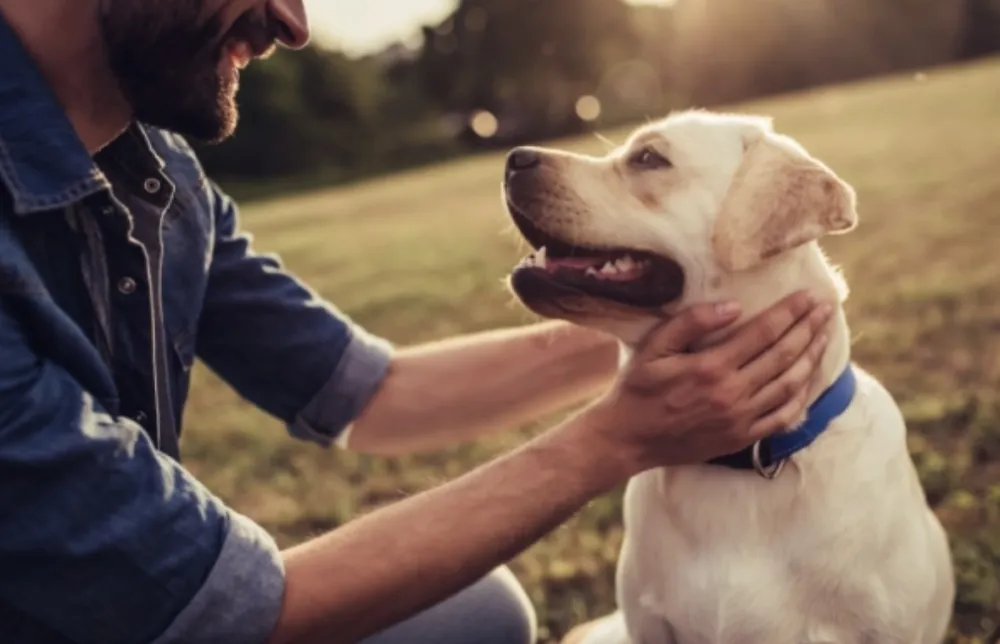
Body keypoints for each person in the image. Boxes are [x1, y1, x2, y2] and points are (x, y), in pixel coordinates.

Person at [0, 1, 832, 643]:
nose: (292, 23)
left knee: (476, 614)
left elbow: (374, 393)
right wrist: (616, 439)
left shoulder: (159, 177)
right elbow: (222, 612)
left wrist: (679, 319)